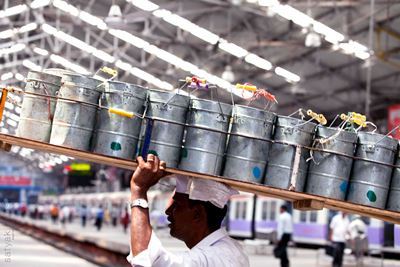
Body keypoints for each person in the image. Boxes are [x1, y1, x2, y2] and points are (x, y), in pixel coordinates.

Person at [127, 154, 249, 267]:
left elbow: (146, 260)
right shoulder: (233, 250)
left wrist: (139, 189)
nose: (168, 211)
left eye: (177, 205)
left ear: (197, 214)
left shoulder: (209, 257)